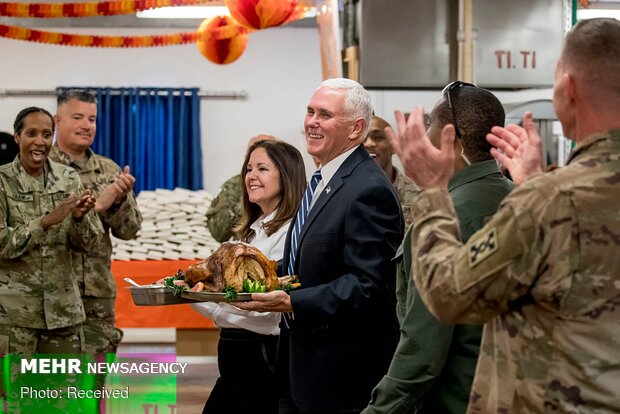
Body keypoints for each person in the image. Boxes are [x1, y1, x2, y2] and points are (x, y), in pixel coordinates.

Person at [387, 18, 620, 412]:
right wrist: (532, 185)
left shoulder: (552, 201)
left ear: (568, 89)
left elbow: (448, 296)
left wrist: (431, 192)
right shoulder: (546, 197)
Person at [236, 78, 403, 413]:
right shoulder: (326, 180)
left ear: (356, 129)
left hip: (340, 374)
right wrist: (240, 281)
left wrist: (290, 300)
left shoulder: (367, 188)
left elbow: (369, 285)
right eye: (310, 111)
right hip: (302, 366)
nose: (311, 122)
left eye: (325, 115)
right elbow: (313, 262)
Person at [363, 84, 514, 414]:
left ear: (451, 138)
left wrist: (380, 409)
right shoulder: (522, 199)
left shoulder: (444, 216)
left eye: (430, 123)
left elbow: (424, 345)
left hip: (456, 398)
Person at [193, 139, 306, 413]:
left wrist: (203, 302)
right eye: (249, 169)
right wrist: (188, 292)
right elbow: (229, 298)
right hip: (234, 353)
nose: (251, 176)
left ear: (287, 175)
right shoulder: (249, 233)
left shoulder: (292, 234)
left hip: (262, 355)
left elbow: (265, 311)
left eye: (262, 169)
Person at [0, 107, 101, 356]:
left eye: (47, 134)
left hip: (63, 315)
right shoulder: (2, 181)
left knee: (63, 395)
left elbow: (91, 244)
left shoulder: (68, 178)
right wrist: (44, 222)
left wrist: (79, 219)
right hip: (13, 317)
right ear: (17, 136)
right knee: (17, 395)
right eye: (31, 133)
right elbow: (2, 245)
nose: (39, 141)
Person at [205, 134, 275, 243]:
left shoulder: (296, 187)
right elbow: (216, 232)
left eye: (263, 168)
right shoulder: (233, 186)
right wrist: (241, 207)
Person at [364, 115, 419, 226]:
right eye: (362, 138)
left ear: (394, 146)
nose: (369, 143)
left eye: (378, 137)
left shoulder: (418, 196)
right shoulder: (344, 193)